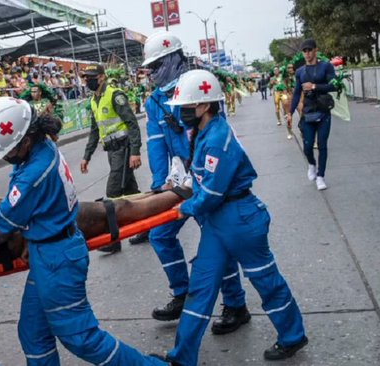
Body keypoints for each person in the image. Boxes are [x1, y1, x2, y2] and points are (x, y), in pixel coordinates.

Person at [0, 96, 166, 366]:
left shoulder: (34, 171)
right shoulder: (41, 146)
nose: (5, 158)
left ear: (25, 141)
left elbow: (7, 217)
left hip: (57, 259)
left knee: (82, 339)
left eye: (7, 152)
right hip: (48, 252)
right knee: (33, 332)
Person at [161, 70, 307, 365]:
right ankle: (181, 357)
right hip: (218, 222)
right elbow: (200, 181)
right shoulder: (203, 132)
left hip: (239, 219)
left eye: (186, 107)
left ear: (204, 106)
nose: (182, 112)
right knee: (201, 286)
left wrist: (183, 208)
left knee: (266, 280)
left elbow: (211, 193)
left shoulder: (216, 139)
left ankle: (293, 336)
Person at [139, 31, 248, 331]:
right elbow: (156, 144)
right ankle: (182, 294)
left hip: (206, 182)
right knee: (160, 235)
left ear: (175, 58)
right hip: (179, 183)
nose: (154, 71)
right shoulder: (155, 101)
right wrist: (161, 182)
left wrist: (201, 179)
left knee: (216, 242)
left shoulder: (201, 85)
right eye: (151, 66)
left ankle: (236, 306)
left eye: (159, 63)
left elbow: (214, 136)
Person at [80, 64, 143, 253]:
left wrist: (135, 151)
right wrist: (86, 156)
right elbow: (94, 130)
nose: (86, 81)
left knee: (113, 191)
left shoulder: (115, 95)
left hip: (123, 149)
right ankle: (148, 227)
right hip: (111, 151)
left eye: (90, 77)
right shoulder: (94, 100)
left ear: (101, 78)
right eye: (85, 77)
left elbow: (132, 124)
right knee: (132, 192)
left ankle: (114, 240)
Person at [286, 39, 337, 191]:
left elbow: (334, 85)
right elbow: (296, 94)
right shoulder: (300, 71)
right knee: (307, 146)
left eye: (309, 50)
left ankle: (321, 176)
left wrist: (314, 86)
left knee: (322, 145)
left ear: (316, 50)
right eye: (304, 51)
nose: (307, 53)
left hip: (323, 111)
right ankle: (312, 164)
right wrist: (290, 113)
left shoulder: (325, 66)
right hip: (307, 113)